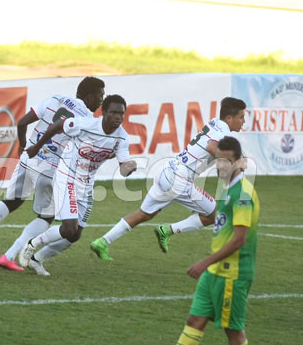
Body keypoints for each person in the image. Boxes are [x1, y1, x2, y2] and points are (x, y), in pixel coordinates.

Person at [135, 137, 259, 345]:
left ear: (239, 162)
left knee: (233, 330)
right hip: (215, 272)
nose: (221, 166)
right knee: (195, 320)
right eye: (218, 160)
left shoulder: (242, 194)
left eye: (227, 161)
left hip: (232, 273)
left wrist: (205, 262)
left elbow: (239, 239)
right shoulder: (227, 187)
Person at [0, 77, 106, 270]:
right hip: (51, 169)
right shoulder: (87, 120)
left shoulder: (55, 99)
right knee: (46, 217)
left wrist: (22, 145)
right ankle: (9, 256)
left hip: (29, 159)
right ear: (90, 96)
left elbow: (21, 123)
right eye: (100, 96)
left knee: (11, 202)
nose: (101, 101)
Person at [90, 96, 246, 261]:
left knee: (144, 214)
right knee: (215, 214)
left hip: (168, 169)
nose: (243, 121)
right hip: (179, 179)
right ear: (229, 118)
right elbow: (211, 146)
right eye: (241, 117)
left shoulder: (215, 122)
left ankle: (102, 242)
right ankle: (168, 230)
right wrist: (233, 164)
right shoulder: (223, 131)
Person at [17, 94, 137, 275]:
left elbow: (123, 169)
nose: (118, 117)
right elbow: (58, 125)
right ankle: (33, 243)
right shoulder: (85, 124)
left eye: (121, 114)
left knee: (74, 236)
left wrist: (130, 167)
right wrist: (37, 146)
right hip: (66, 176)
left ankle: (37, 259)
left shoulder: (122, 138)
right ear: (104, 112)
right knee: (69, 228)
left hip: (86, 184)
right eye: (113, 112)